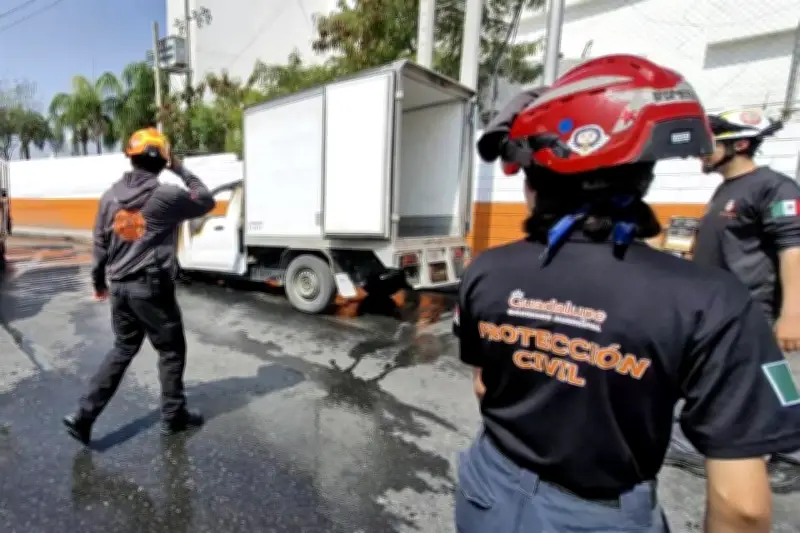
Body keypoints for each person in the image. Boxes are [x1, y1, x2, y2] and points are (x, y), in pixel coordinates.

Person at [455, 54, 800, 533]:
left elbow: (484, 385)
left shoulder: (486, 270)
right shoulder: (712, 300)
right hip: (600, 515)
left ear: (538, 182)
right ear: (643, 175)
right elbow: (742, 506)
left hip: (485, 490)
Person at [665, 108, 800, 488]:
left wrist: (793, 313)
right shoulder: (726, 189)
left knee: (771, 375)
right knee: (724, 376)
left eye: (711, 144)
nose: (702, 152)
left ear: (740, 144)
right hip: (719, 307)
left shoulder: (774, 187)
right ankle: (711, 440)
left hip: (752, 306)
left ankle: (791, 453)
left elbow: (793, 248)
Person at [64, 127, 216, 445]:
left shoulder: (108, 198)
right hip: (151, 288)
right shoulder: (168, 196)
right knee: (172, 351)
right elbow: (205, 200)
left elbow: (99, 246)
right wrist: (181, 168)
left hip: (119, 287)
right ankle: (173, 416)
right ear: (162, 161)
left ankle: (83, 416)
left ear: (131, 158)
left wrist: (99, 284)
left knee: (122, 349)